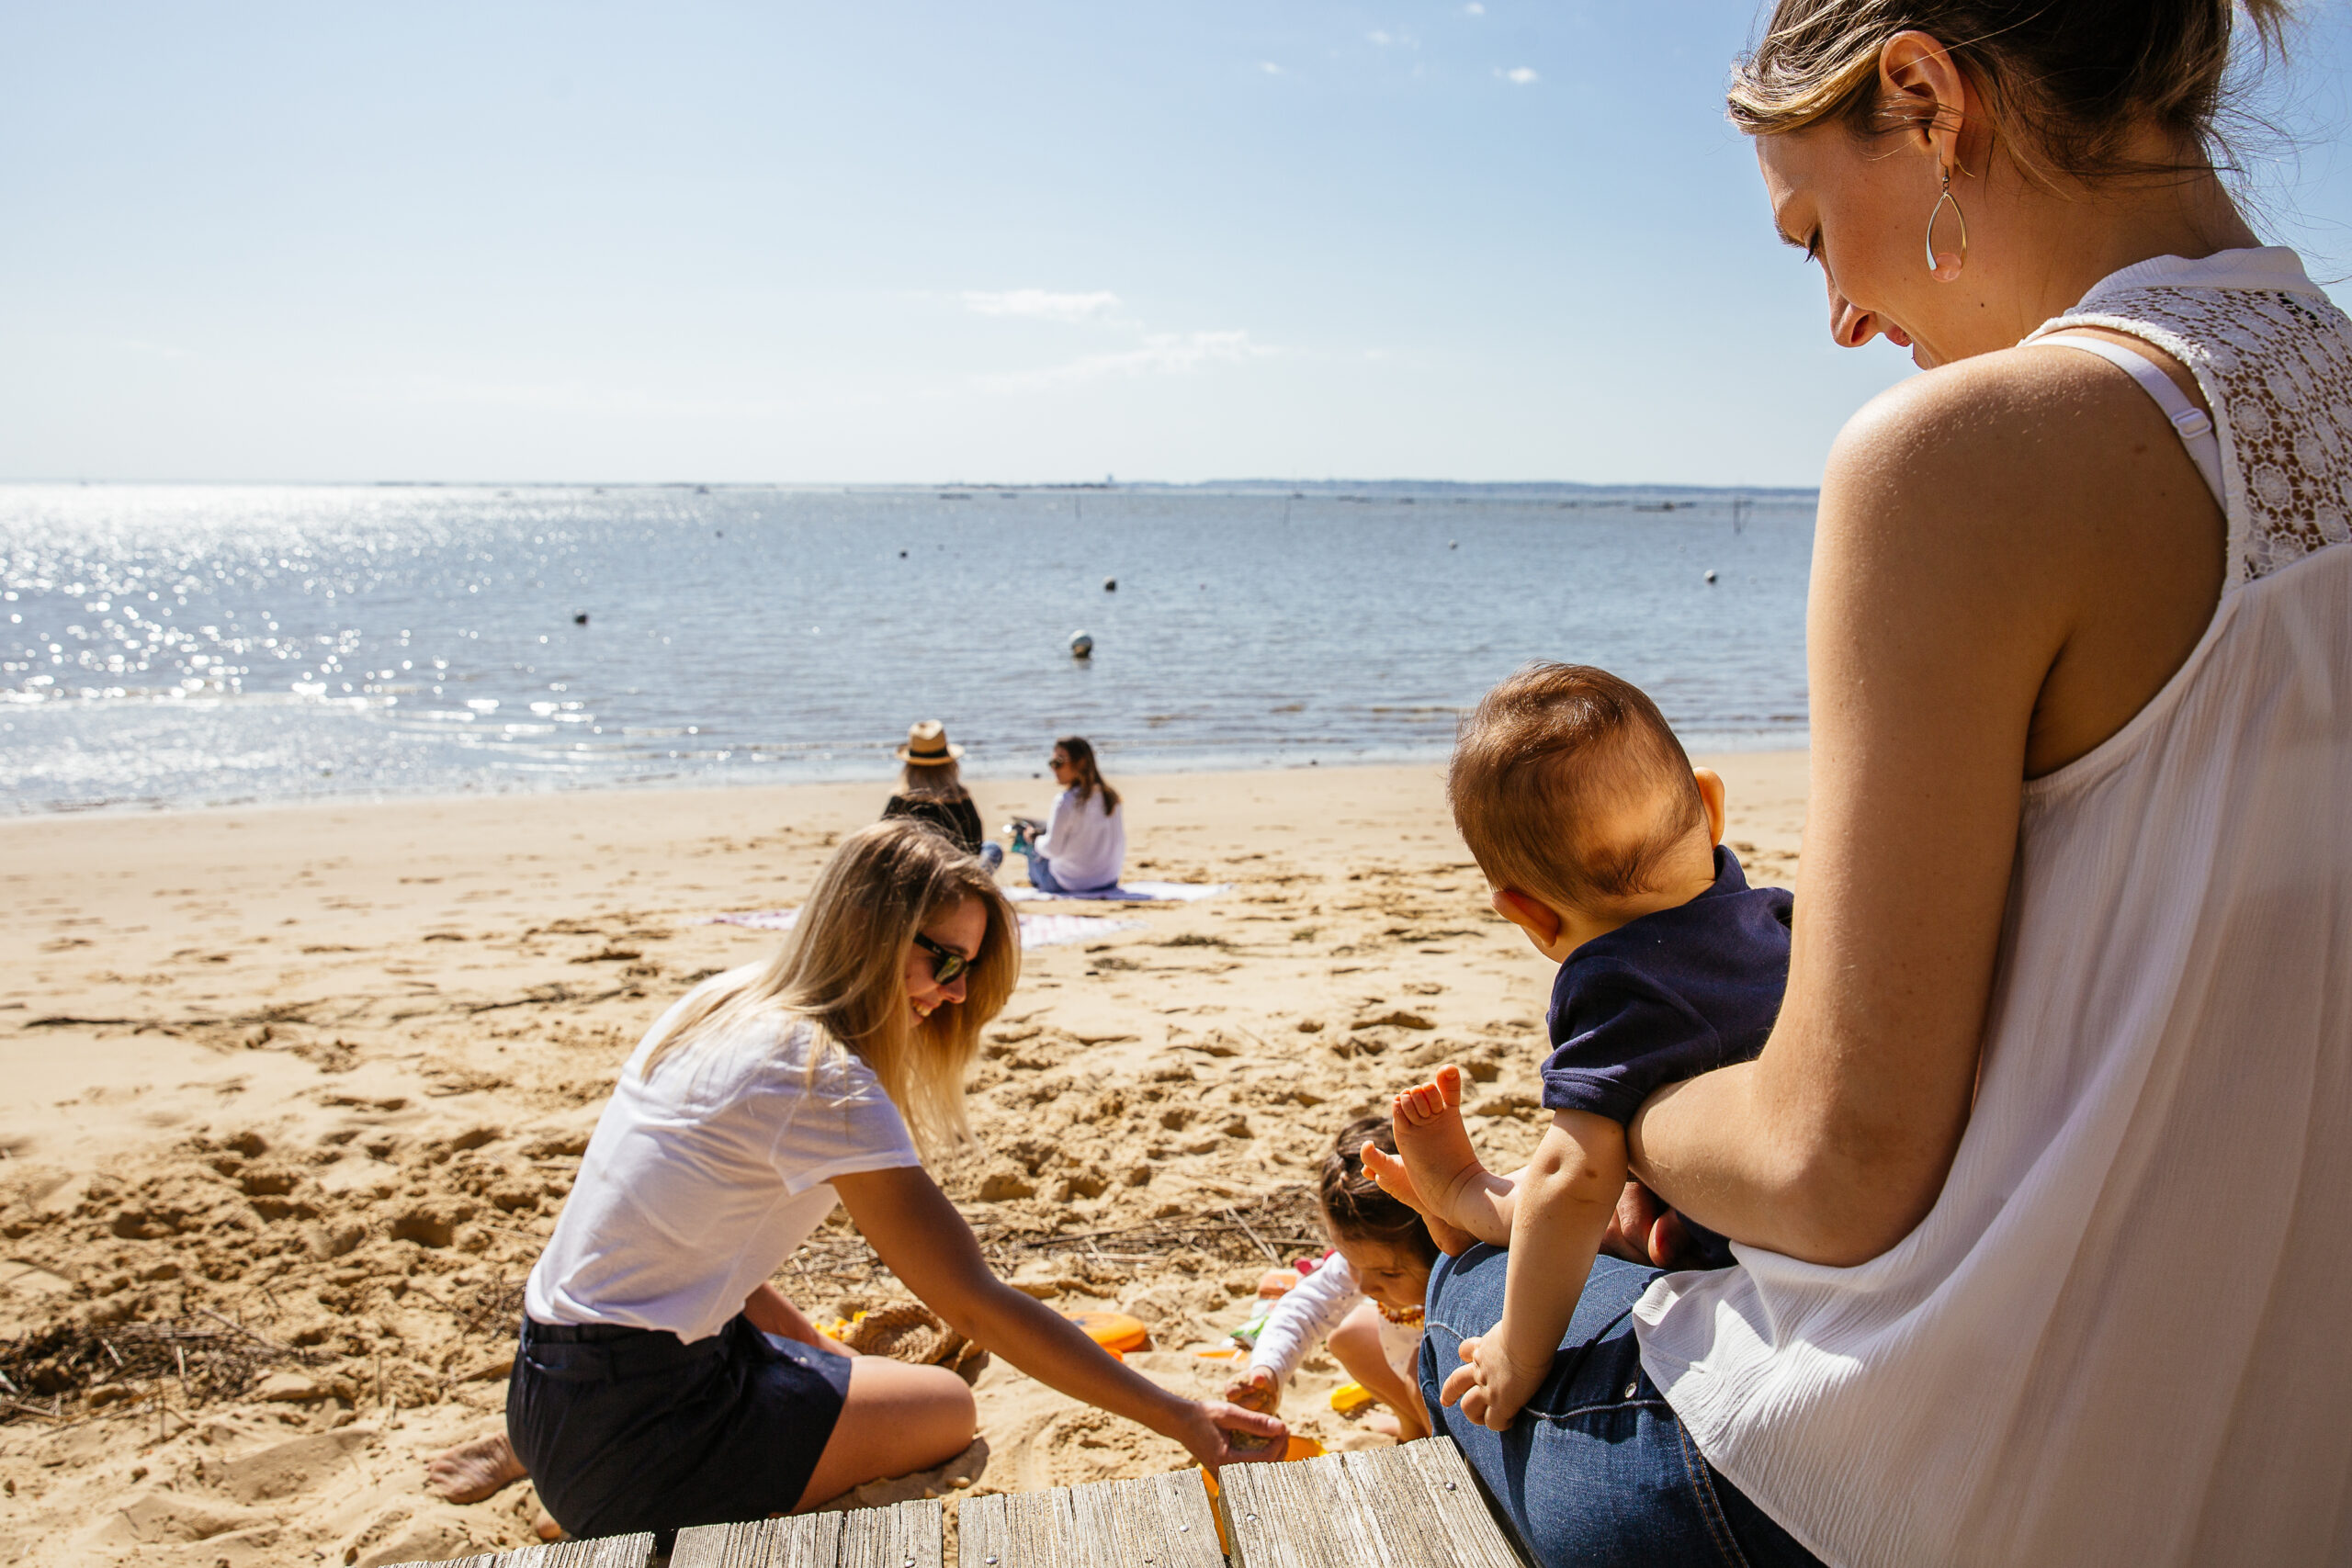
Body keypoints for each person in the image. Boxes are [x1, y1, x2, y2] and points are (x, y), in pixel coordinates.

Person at [1411, 4, 2352, 1564]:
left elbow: (1836, 1170)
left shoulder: (1966, 454)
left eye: (1808, 235)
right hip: (2287, 1465)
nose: (1841, 317)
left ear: (1924, 98)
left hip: (1936, 1492)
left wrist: (1629, 1120)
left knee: (1470, 1293)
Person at [504, 819, 1282, 1539]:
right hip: (639, 1428)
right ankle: (609, 1511)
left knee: (858, 1377)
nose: (957, 993)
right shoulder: (819, 1078)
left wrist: (820, 1360)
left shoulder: (724, 1000)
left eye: (968, 968)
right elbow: (977, 1300)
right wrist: (1183, 1417)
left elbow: (690, 1247)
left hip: (548, 1381)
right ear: (868, 935)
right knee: (946, 1406)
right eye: (943, 960)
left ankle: (557, 1472)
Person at [1365, 664, 1791, 1430]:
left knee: (1577, 1192)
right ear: (1712, 806)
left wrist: (1520, 1353)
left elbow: (1576, 1174)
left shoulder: (1613, 982)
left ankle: (1464, 1192)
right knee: (1599, 1177)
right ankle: (1467, 1191)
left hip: (1718, 1241)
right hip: (1797, 1197)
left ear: (1524, 912)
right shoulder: (1780, 918)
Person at [1227, 1117, 1440, 1443]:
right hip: (1412, 1364)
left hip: (1458, 1388)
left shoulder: (1457, 1270)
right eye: (1354, 1264)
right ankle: (1411, 1423)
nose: (1366, 1287)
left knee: (1417, 1371)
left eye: (1389, 1273)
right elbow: (1304, 1309)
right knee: (1347, 1335)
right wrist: (1268, 1370)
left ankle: (1440, 1441)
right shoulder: (1367, 1267)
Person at [1009, 735, 1125, 895]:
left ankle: (1033, 874)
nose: (1053, 768)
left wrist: (1033, 840)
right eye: (1052, 763)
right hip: (1107, 879)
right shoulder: (1110, 796)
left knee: (1028, 839)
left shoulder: (1067, 800)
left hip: (1069, 884)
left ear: (1081, 762)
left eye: (1058, 763)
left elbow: (1052, 849)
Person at [880, 720, 1001, 873]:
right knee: (992, 848)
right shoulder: (959, 799)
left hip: (911, 876)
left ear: (909, 766)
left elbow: (883, 845)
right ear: (950, 764)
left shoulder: (900, 800)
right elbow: (975, 846)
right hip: (955, 878)